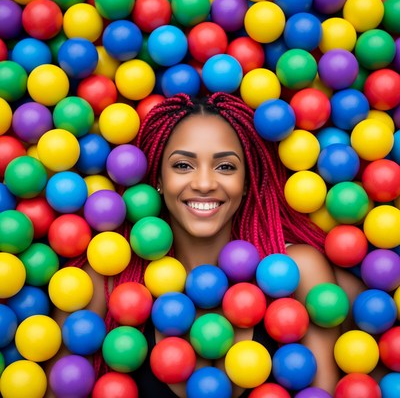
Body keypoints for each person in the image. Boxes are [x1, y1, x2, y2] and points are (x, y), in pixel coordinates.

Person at [47, 92, 351, 396]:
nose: (204, 184)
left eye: (225, 167)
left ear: (246, 182)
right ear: (159, 178)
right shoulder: (105, 280)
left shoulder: (295, 271)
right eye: (182, 166)